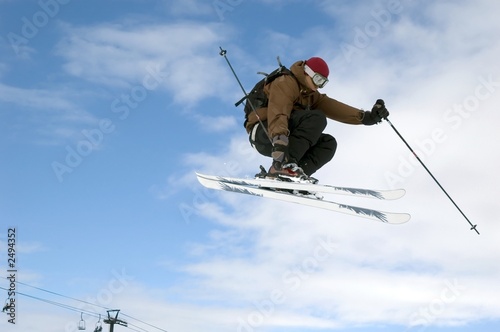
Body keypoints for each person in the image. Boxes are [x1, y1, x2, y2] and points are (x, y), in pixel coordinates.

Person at [246, 56, 389, 182]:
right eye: (317, 79)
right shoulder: (286, 82)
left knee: (328, 143)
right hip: (264, 133)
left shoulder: (310, 95)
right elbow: (279, 114)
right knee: (317, 118)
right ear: (307, 72)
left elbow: (335, 108)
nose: (318, 85)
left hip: (284, 139)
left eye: (322, 82)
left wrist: (367, 117)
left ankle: (291, 178)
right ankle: (282, 167)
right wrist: (279, 151)